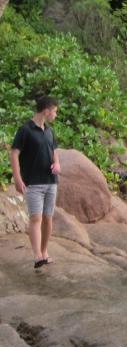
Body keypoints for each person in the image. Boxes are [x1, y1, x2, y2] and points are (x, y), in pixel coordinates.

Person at [10, 95, 62, 268]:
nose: (55, 115)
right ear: (46, 111)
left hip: (51, 181)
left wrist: (57, 163)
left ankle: (44, 251)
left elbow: (54, 151)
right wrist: (18, 178)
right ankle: (37, 256)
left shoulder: (49, 131)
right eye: (54, 111)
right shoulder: (25, 130)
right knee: (36, 218)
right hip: (33, 182)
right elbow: (14, 154)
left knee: (48, 218)